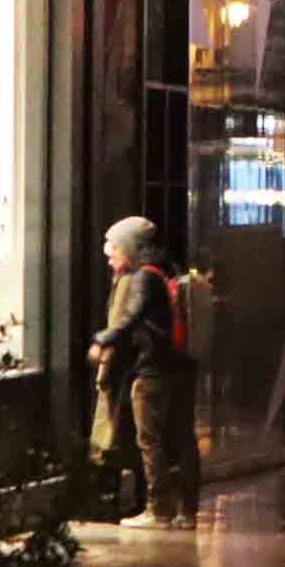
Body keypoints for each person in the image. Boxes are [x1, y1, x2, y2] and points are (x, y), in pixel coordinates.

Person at [90, 216, 200, 529]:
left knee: (150, 440)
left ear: (128, 247)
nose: (109, 255)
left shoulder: (141, 277)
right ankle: (188, 510)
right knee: (183, 438)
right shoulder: (169, 268)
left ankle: (158, 510)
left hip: (154, 370)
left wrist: (103, 339)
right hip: (182, 366)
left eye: (113, 247)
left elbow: (132, 317)